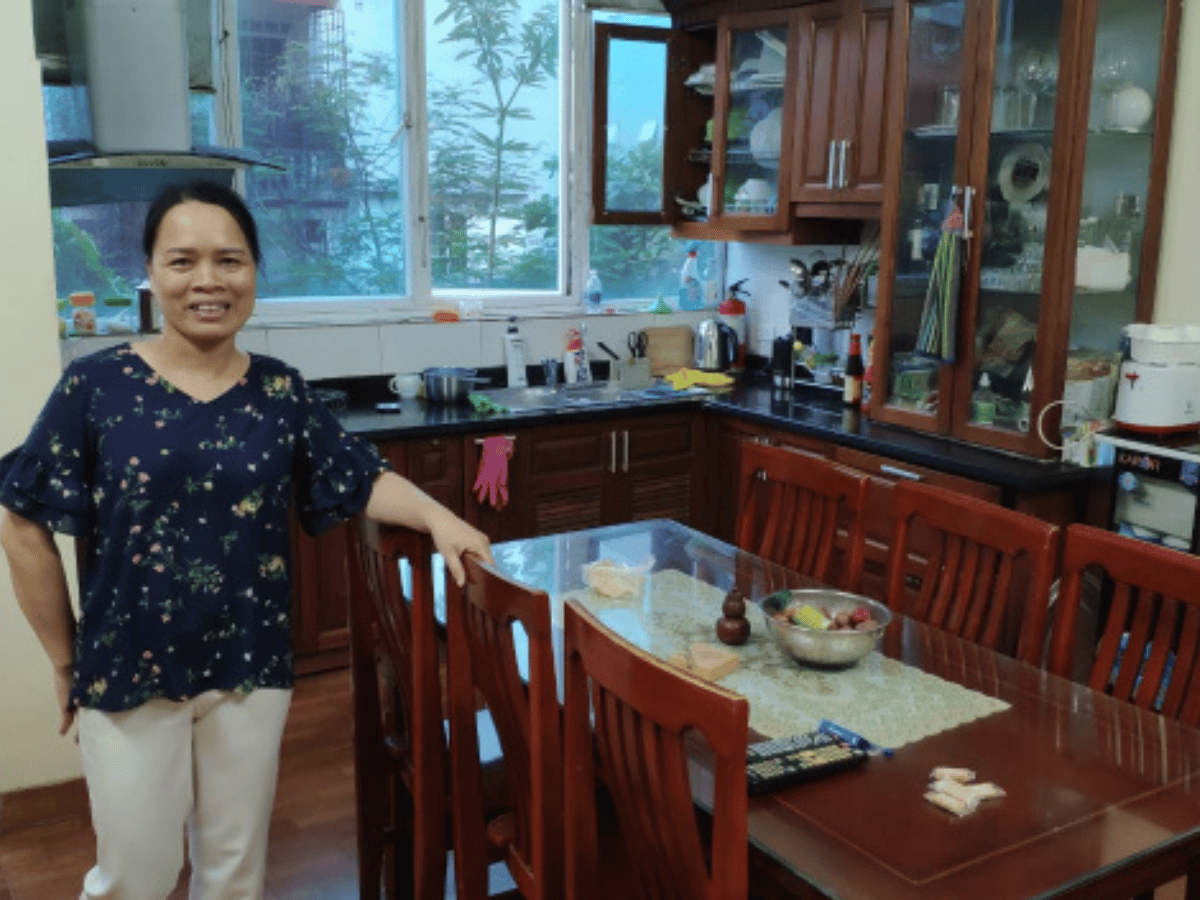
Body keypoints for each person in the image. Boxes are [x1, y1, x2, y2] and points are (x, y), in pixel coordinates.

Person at [0, 179, 494, 900]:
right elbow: (22, 517)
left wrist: (439, 516)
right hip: (130, 663)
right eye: (182, 260)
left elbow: (356, 476)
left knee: (235, 870)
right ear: (151, 272)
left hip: (250, 663)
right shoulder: (96, 386)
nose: (208, 280)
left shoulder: (280, 392)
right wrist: (62, 657)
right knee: (134, 877)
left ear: (255, 273)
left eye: (230, 260)